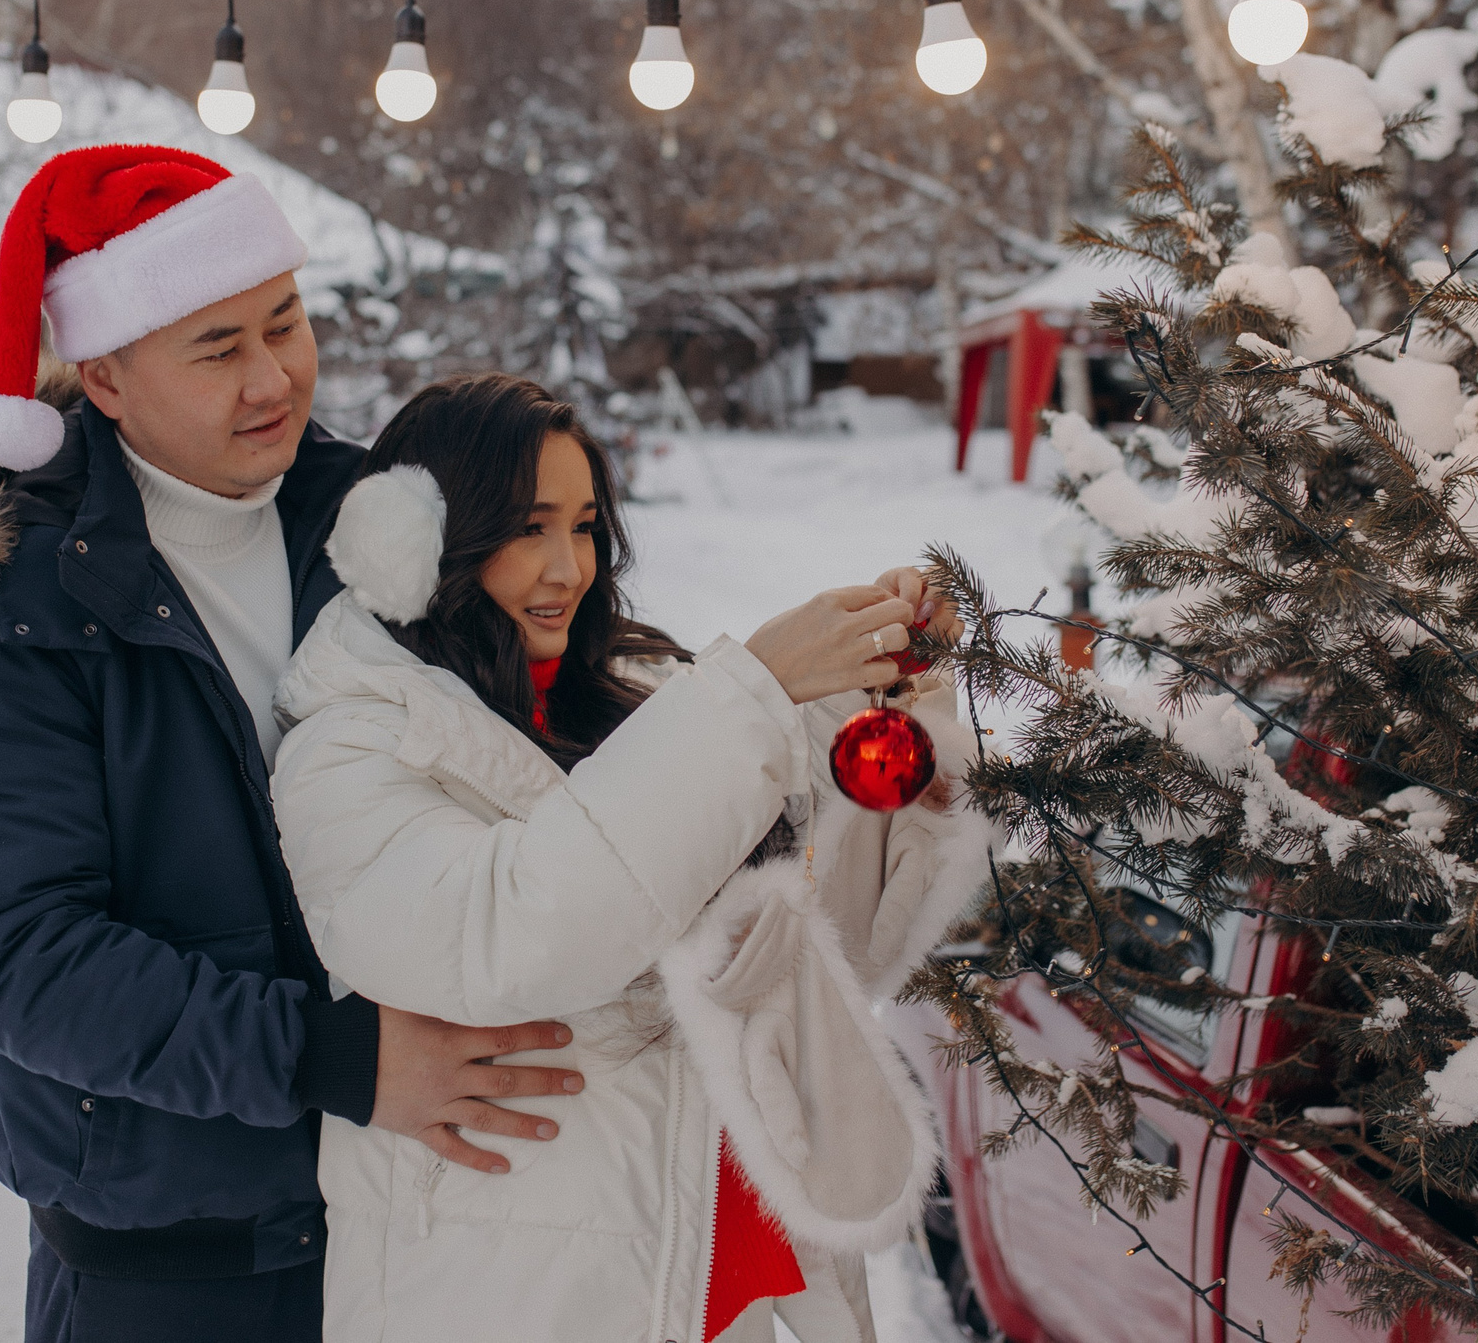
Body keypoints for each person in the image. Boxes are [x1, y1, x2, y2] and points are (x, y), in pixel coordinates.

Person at [0, 149, 587, 1343]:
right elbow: (20, 958)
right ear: (106, 376)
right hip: (170, 1265)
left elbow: (537, 746)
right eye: (218, 347)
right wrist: (332, 1058)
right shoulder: (16, 615)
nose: (273, 377)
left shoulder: (378, 528)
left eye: (284, 323)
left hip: (421, 1226)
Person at [270, 373, 991, 1343]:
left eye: (583, 527)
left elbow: (828, 949)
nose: (567, 566)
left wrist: (881, 713)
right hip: (516, 1304)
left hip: (720, 1283)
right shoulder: (350, 747)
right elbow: (520, 935)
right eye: (527, 527)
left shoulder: (639, 695)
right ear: (413, 541)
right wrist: (753, 691)